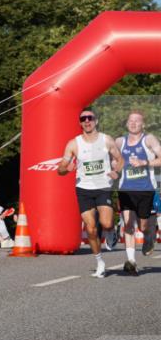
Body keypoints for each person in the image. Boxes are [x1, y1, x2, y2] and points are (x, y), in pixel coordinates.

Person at [57, 107, 124, 278]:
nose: (87, 121)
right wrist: (66, 168)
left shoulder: (106, 140)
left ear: (96, 121)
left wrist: (117, 171)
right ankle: (100, 262)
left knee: (107, 223)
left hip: (103, 187)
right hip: (83, 189)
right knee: (91, 229)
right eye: (83, 119)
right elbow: (60, 170)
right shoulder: (73, 144)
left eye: (90, 118)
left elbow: (120, 159)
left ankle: (111, 232)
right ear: (80, 123)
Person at [116, 110, 160, 275]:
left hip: (145, 189)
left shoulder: (149, 139)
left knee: (143, 226)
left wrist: (145, 162)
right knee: (128, 224)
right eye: (130, 121)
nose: (133, 123)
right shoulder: (120, 141)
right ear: (127, 123)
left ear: (143, 124)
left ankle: (149, 235)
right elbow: (111, 158)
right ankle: (131, 261)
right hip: (126, 189)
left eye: (137, 121)